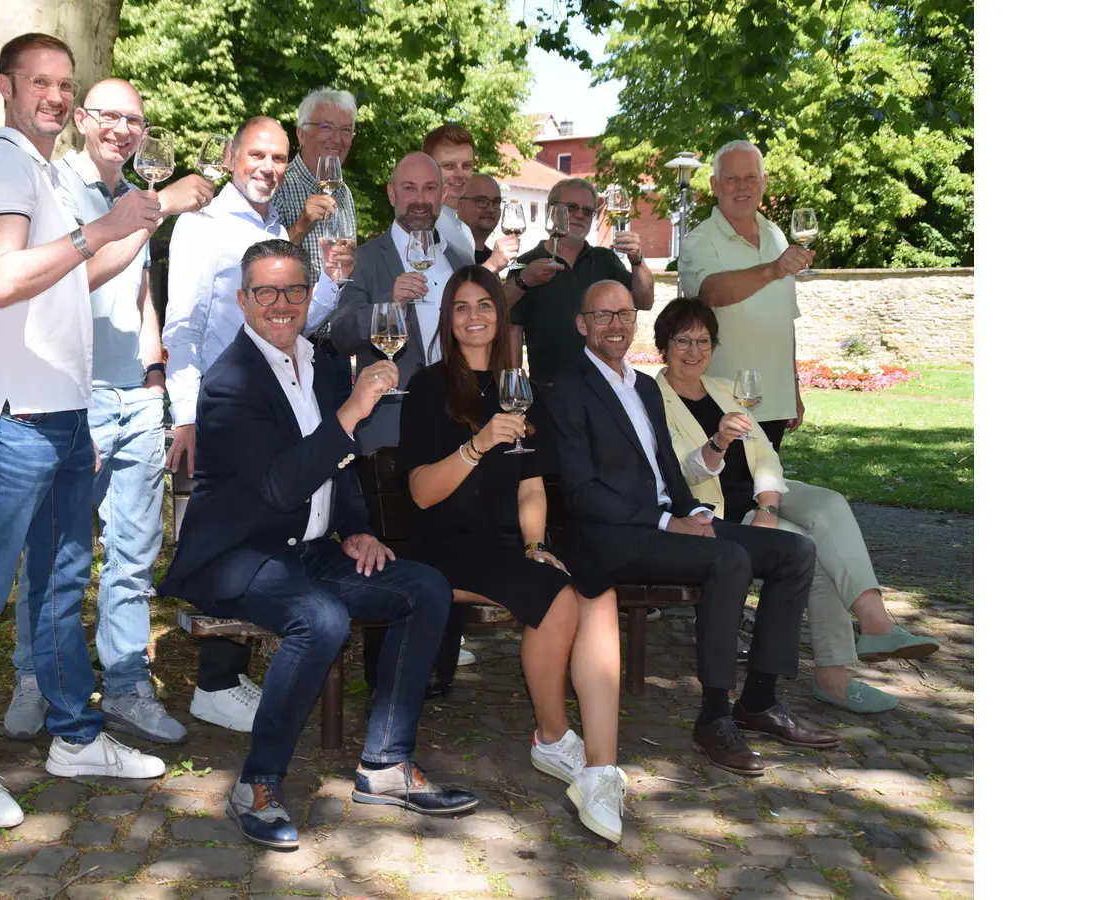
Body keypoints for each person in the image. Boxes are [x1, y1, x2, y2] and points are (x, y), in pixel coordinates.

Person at [159, 239, 478, 851]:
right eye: (266, 292)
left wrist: (357, 527)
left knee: (425, 587)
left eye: (294, 291)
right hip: (238, 555)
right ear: (243, 299)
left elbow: (345, 467)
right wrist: (352, 412)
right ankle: (257, 783)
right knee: (320, 618)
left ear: (310, 295)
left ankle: (385, 764)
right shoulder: (229, 381)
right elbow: (281, 486)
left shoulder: (325, 363)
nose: (281, 304)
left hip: (307, 550)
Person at [0, 32, 166, 830]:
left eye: (65, 84)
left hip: (64, 419)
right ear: (6, 86)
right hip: (7, 425)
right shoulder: (0, 165)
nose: (57, 97)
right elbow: (2, 281)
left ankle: (72, 736)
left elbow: (73, 278)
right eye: (41, 82)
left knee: (63, 587)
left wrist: (134, 228)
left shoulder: (43, 175)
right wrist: (99, 232)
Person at [536, 279, 840, 777]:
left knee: (793, 553)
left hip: (666, 521)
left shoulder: (643, 387)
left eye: (624, 314)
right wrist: (666, 521)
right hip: (611, 537)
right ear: (582, 324)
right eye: (603, 315)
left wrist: (693, 512)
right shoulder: (566, 390)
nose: (616, 325)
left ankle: (759, 701)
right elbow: (580, 493)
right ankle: (714, 717)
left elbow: (667, 472)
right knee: (729, 559)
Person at [0, 78, 214, 747]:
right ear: (84, 120)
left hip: (135, 399)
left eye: (136, 121)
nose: (124, 129)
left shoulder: (133, 197)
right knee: (56, 552)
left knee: (132, 558)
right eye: (112, 117)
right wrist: (160, 210)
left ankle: (126, 686)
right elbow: (69, 278)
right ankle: (34, 677)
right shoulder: (53, 186)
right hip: (72, 395)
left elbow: (139, 290)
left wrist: (155, 382)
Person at [399, 265, 626, 842]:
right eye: (462, 308)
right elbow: (422, 493)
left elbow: (530, 486)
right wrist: (478, 444)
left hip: (505, 544)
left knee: (597, 590)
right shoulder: (428, 387)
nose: (475, 317)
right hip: (443, 546)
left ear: (501, 317)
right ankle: (551, 738)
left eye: (486, 306)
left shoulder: (513, 386)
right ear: (448, 321)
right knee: (558, 600)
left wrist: (534, 546)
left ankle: (601, 766)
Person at [650, 298, 941, 714]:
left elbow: (765, 453)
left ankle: (876, 621)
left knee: (829, 503)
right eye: (683, 340)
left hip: (761, 495)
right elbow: (684, 473)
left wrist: (768, 507)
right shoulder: (653, 398)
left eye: (704, 340)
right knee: (811, 551)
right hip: (715, 512)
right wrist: (718, 442)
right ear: (664, 343)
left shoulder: (724, 388)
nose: (695, 351)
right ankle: (834, 678)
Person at [163, 116, 351, 734]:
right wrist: (185, 416)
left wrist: (328, 281)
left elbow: (294, 317)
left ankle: (223, 680)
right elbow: (183, 329)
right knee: (231, 534)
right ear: (231, 157)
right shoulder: (200, 227)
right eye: (257, 156)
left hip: (272, 406)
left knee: (262, 532)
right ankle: (215, 683)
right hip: (223, 409)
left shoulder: (272, 229)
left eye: (277, 158)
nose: (268, 167)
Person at [331, 152, 473, 453]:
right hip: (392, 427)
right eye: (409, 188)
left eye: (430, 188)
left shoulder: (459, 261)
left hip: (458, 423)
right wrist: (389, 304)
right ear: (392, 194)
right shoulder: (364, 259)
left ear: (443, 194)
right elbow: (341, 336)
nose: (420, 199)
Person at [678, 140, 814, 450]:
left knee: (766, 491)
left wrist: (793, 388)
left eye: (751, 177)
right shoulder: (699, 240)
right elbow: (711, 291)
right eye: (731, 178)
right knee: (725, 495)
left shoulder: (777, 236)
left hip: (776, 403)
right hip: (722, 402)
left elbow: (785, 321)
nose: (742, 186)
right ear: (715, 184)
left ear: (764, 183)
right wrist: (772, 270)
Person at [508, 177, 654, 386]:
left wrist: (638, 260)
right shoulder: (524, 263)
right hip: (549, 390)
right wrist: (516, 387)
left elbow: (645, 301)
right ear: (551, 210)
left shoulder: (606, 260)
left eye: (587, 211)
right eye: (571, 207)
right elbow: (513, 327)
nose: (579, 215)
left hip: (604, 387)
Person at [273, 88, 359, 280]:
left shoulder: (344, 192)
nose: (337, 139)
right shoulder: (278, 185)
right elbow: (262, 264)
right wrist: (301, 226)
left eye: (345, 130)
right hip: (294, 308)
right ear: (301, 135)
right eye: (326, 127)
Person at [421, 124, 480, 266]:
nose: (459, 174)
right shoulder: (421, 223)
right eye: (449, 166)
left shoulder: (465, 230)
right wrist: (492, 265)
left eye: (466, 165)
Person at [455, 173, 520, 270]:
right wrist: (492, 265)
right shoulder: (445, 252)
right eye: (481, 201)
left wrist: (524, 280)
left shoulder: (491, 255)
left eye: (496, 202)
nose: (490, 209)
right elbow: (456, 285)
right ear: (458, 204)